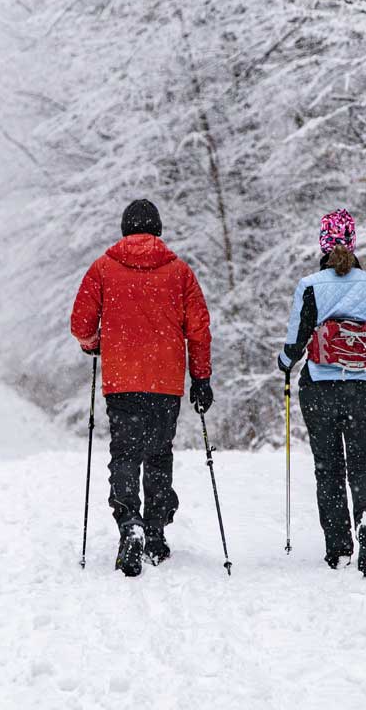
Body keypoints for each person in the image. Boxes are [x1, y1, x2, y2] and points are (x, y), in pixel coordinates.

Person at [70, 199, 214, 577]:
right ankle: (155, 532)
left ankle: (129, 522)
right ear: (158, 230)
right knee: (158, 454)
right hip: (166, 384)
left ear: (123, 230)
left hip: (122, 381)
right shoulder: (180, 272)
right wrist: (201, 378)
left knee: (125, 453)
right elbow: (198, 329)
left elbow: (81, 323)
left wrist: (94, 344)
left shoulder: (103, 269)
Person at [277, 209, 366, 576]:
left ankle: (338, 547)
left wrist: (284, 365)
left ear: (323, 244)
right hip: (364, 391)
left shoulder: (310, 285)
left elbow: (295, 344)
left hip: (320, 390)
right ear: (352, 241)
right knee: (364, 464)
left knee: (328, 468)